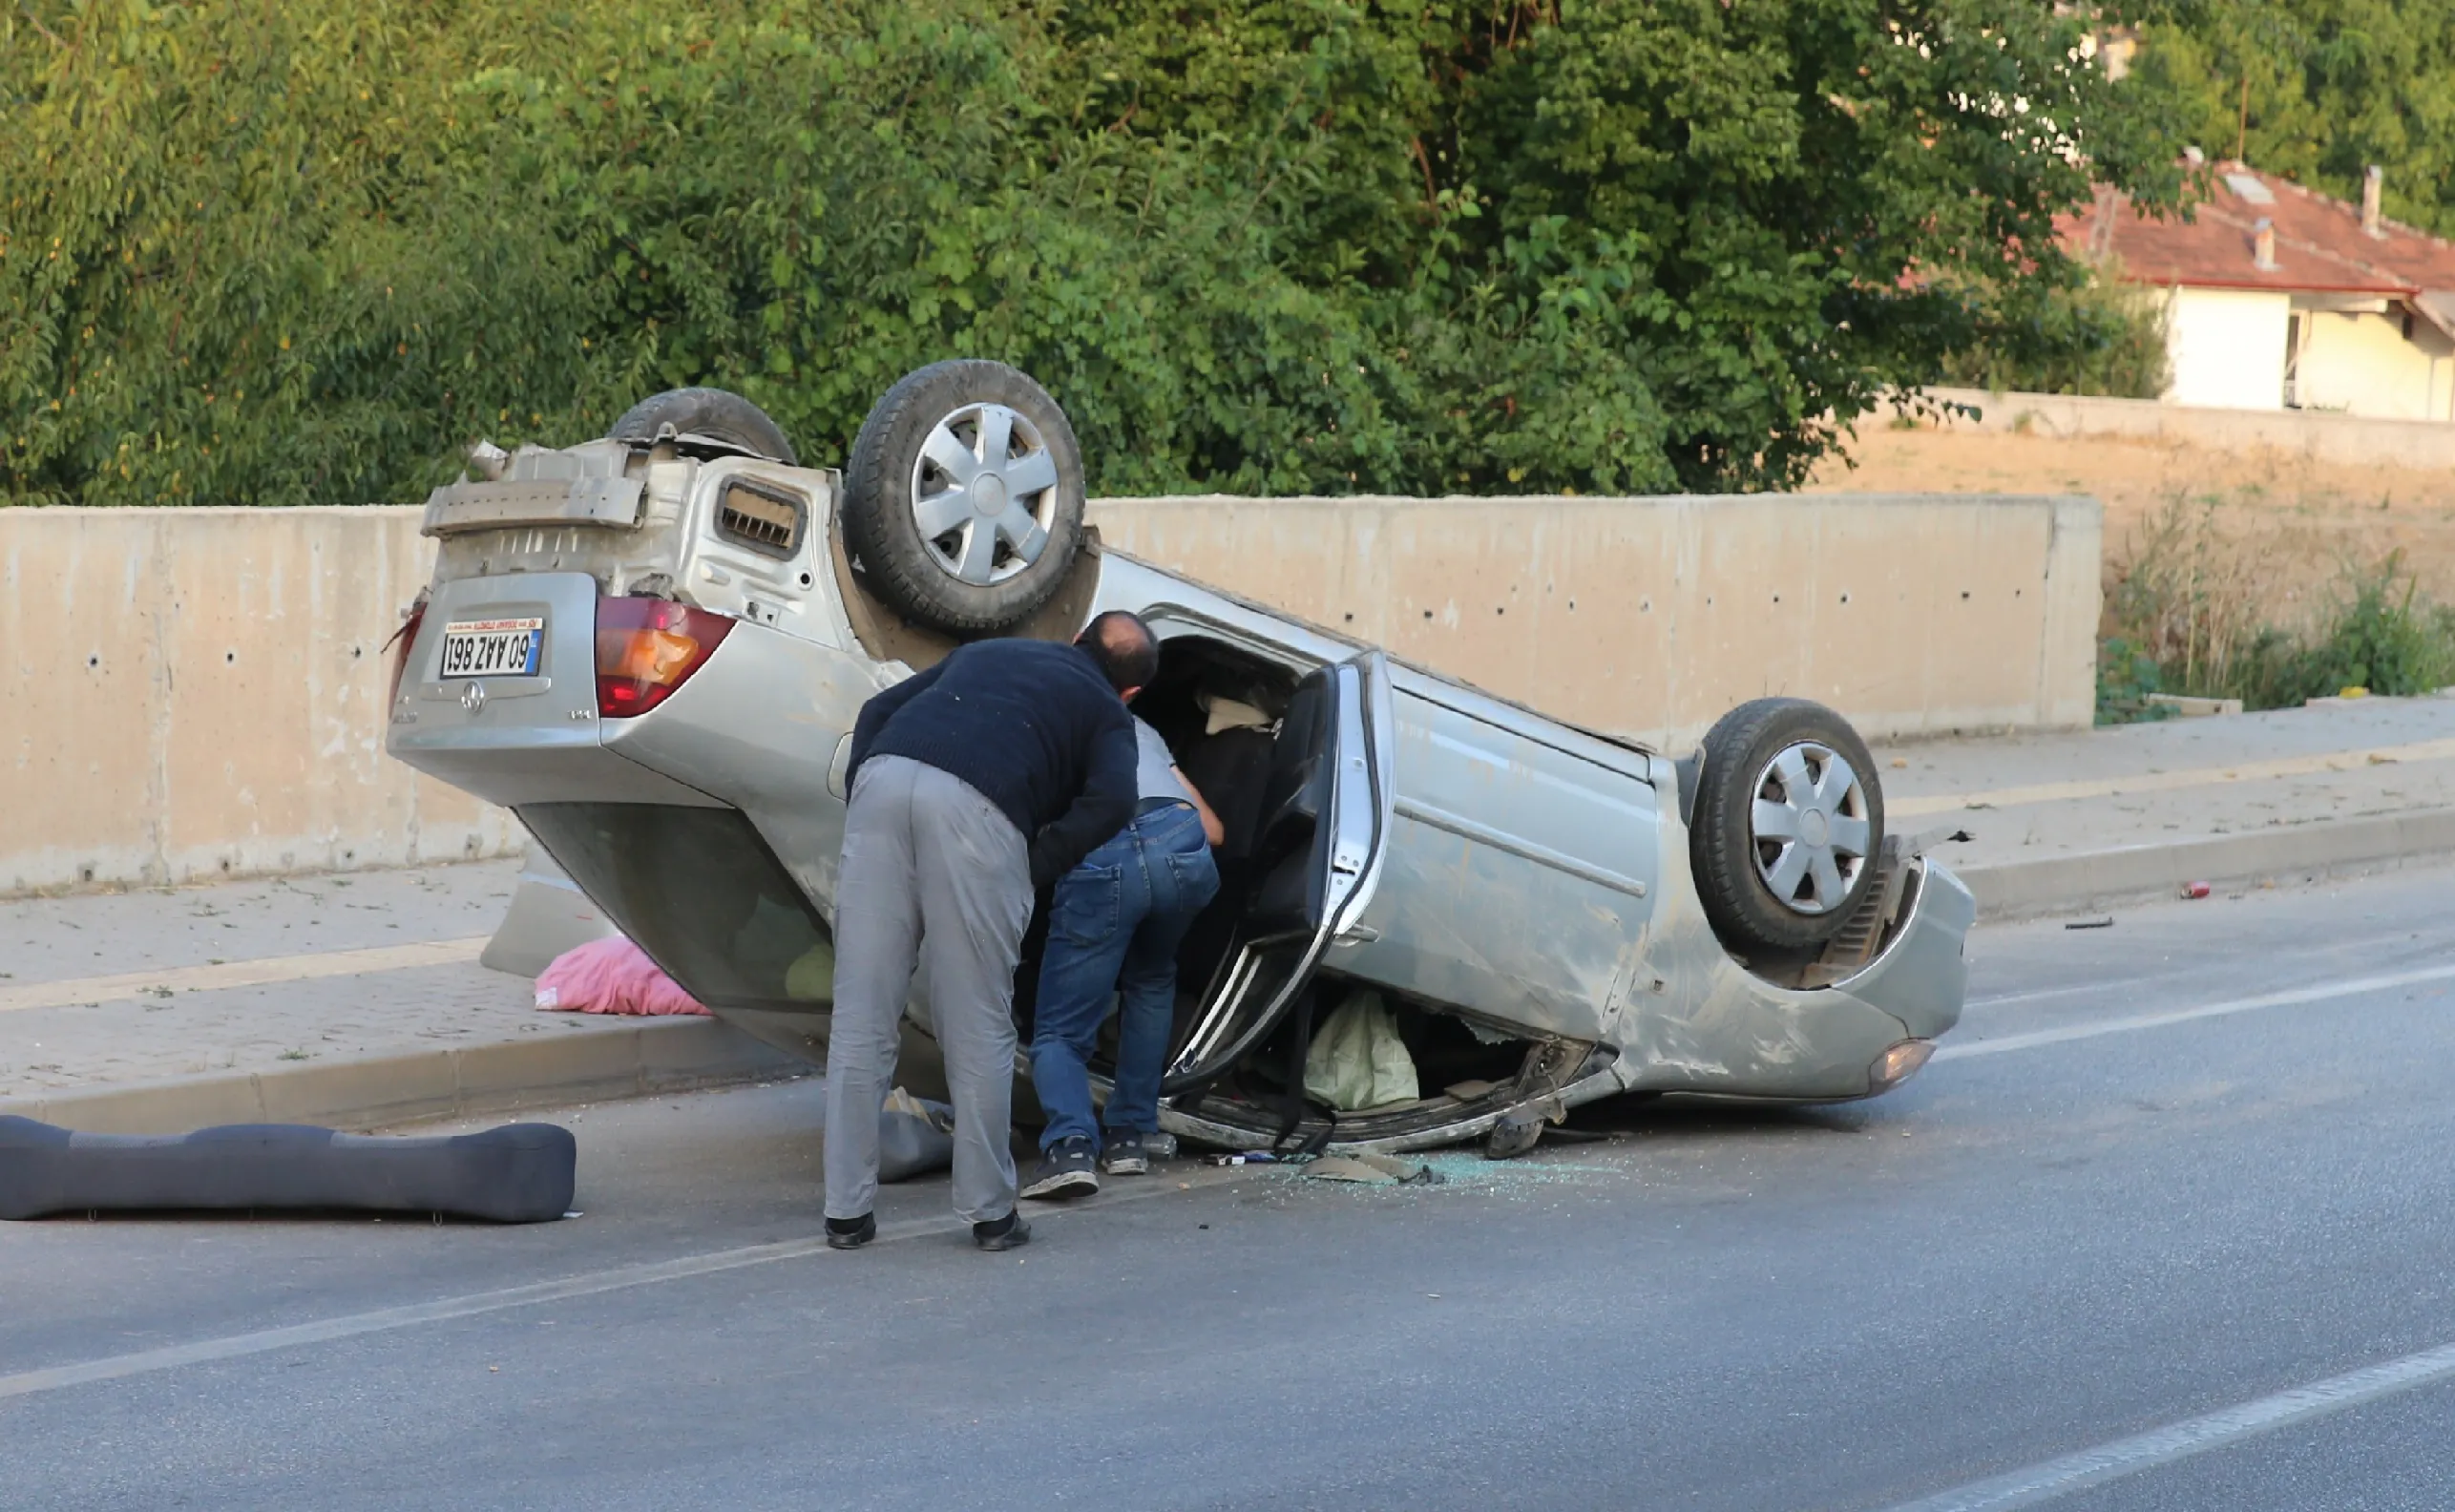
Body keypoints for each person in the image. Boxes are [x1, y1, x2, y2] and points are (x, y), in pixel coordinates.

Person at [820, 612, 1155, 1253]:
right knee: (977, 1024)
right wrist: (1035, 863)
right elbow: (1114, 800)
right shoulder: (1107, 712)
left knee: (862, 1014)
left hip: (884, 780)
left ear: (1077, 637)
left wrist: (866, 786)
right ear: (1131, 692)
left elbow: (875, 710)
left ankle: (845, 1214)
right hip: (981, 812)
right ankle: (989, 1214)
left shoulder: (991, 651)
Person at [1022, 703, 1225, 1200]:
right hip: (1181, 842)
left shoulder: (1033, 723)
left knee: (1060, 1029)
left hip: (1102, 852)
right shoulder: (1139, 725)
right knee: (1152, 978)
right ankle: (1129, 1137)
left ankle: (1070, 1147)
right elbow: (1214, 830)